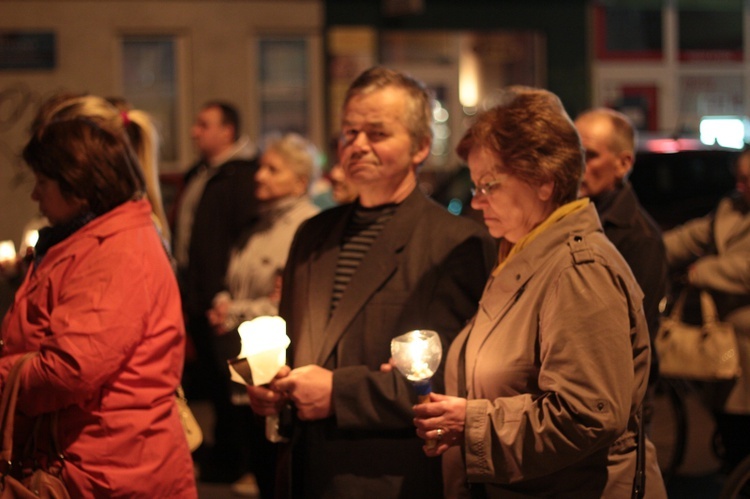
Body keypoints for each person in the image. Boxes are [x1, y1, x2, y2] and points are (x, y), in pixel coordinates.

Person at [247, 67, 497, 498]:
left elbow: (450, 383)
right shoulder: (313, 234)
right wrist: (271, 388)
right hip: (306, 468)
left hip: (387, 474)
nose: (358, 145)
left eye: (377, 133)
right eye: (350, 132)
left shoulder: (454, 242)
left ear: (420, 147)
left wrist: (336, 393)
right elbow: (292, 345)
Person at [412, 87, 667, 498]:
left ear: (544, 181)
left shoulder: (577, 271)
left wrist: (472, 422)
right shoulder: (524, 255)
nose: (477, 202)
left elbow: (588, 413)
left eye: (489, 185)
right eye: (475, 186)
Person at [0, 96, 197, 497]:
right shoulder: (87, 238)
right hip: (93, 462)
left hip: (109, 472)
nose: (35, 196)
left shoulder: (118, 249)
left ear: (78, 187)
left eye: (42, 183)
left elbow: (69, 369)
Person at [206, 132, 321, 497]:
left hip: (278, 371)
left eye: (273, 169)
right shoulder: (259, 224)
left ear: (300, 181)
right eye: (261, 167)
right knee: (258, 463)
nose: (260, 176)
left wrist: (232, 312)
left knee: (276, 470)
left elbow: (286, 302)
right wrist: (225, 299)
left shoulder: (308, 228)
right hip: (249, 366)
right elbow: (241, 280)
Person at [172, 101, 259, 482]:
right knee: (209, 379)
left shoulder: (242, 176)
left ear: (228, 130)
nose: (194, 132)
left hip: (223, 297)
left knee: (231, 384)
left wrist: (224, 290)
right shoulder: (202, 174)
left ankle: (236, 462)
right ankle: (220, 457)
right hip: (196, 294)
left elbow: (240, 238)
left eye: (203, 124)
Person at [663, 146, 750, 473]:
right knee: (731, 428)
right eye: (739, 179)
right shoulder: (731, 207)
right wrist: (646, 247)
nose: (741, 187)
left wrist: (706, 271)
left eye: (748, 181)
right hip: (724, 341)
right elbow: (691, 237)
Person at [574, 108, 668, 384]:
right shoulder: (570, 216)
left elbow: (632, 335)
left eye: (590, 155)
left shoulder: (639, 237)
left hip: (613, 394)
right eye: (573, 153)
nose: (577, 166)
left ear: (623, 163)